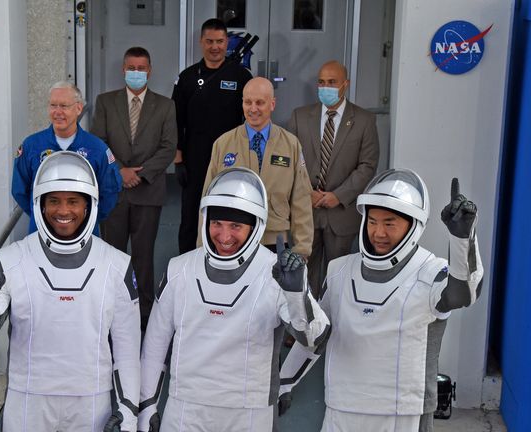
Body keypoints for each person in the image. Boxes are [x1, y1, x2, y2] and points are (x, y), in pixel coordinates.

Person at [279, 171, 484, 432]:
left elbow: (464, 294)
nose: (378, 232)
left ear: (413, 225)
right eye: (372, 221)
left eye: (390, 223)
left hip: (404, 412)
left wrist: (462, 238)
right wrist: (285, 381)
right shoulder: (340, 270)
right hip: (343, 407)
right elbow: (317, 336)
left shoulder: (432, 271)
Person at [137, 168, 329, 432]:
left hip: (249, 413)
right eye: (217, 224)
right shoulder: (179, 269)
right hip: (186, 408)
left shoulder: (279, 272)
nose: (224, 237)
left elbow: (314, 337)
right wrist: (147, 406)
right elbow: (155, 344)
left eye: (236, 226)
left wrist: (296, 294)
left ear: (255, 225)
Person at [0, 151, 141, 432]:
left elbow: (128, 348)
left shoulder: (117, 264)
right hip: (28, 398)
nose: (63, 211)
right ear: (40, 205)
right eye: (54, 201)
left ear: (88, 205)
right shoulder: (10, 259)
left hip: (92, 400)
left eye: (73, 201)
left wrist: (129, 411)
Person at [91, 46, 178, 330]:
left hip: (147, 191)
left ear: (150, 71)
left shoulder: (165, 105)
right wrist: (120, 172)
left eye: (142, 68)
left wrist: (141, 174)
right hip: (114, 191)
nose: (136, 73)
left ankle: (144, 313)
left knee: (143, 256)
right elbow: (98, 143)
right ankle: (112, 308)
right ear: (123, 69)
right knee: (113, 254)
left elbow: (168, 148)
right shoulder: (105, 102)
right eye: (132, 68)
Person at [288, 60, 380, 297]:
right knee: (301, 271)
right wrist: (305, 192)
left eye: (331, 82)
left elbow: (367, 166)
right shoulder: (300, 117)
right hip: (305, 210)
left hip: (341, 213)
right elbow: (290, 159)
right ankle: (302, 323)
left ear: (345, 85)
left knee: (338, 275)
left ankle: (333, 325)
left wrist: (338, 196)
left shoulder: (364, 120)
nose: (325, 87)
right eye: (321, 82)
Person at [202, 77, 314, 256]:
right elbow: (207, 201)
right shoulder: (223, 144)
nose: (253, 109)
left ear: (272, 104)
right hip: (233, 241)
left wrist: (302, 252)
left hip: (274, 241)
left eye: (260, 103)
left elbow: (301, 202)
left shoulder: (291, 144)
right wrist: (204, 250)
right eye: (248, 102)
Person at [173, 18, 253, 254]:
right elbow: (176, 119)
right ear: (201, 42)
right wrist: (178, 159)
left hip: (232, 158)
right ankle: (187, 262)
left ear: (226, 41)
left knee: (229, 213)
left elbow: (251, 118)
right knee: (191, 217)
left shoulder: (240, 76)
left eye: (220, 41)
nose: (215, 47)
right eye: (209, 41)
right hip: (195, 158)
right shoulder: (187, 78)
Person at [11, 81, 122, 235]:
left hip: (85, 234)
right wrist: (44, 217)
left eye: (64, 106)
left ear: (78, 108)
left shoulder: (97, 149)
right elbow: (19, 190)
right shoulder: (31, 146)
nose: (57, 112)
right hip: (41, 234)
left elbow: (109, 192)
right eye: (53, 105)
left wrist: (85, 219)